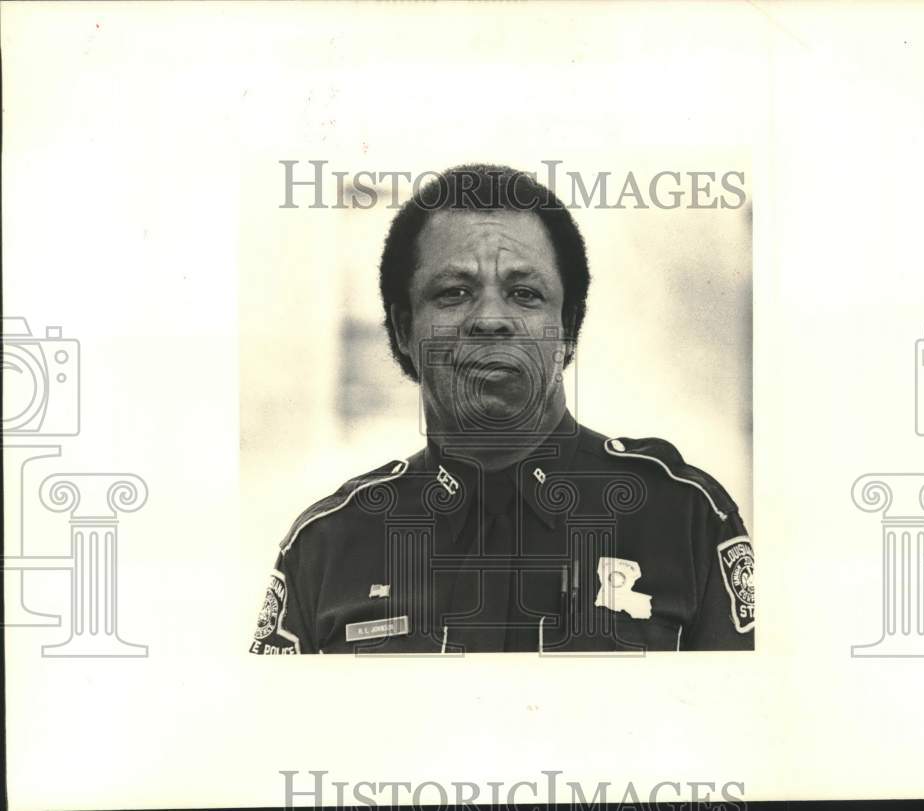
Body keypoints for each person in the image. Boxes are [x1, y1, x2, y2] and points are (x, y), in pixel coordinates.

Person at [250, 164, 753, 654]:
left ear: (569, 325)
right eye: (454, 293)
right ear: (403, 329)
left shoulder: (687, 520)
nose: (491, 320)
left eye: (524, 294)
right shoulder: (326, 547)